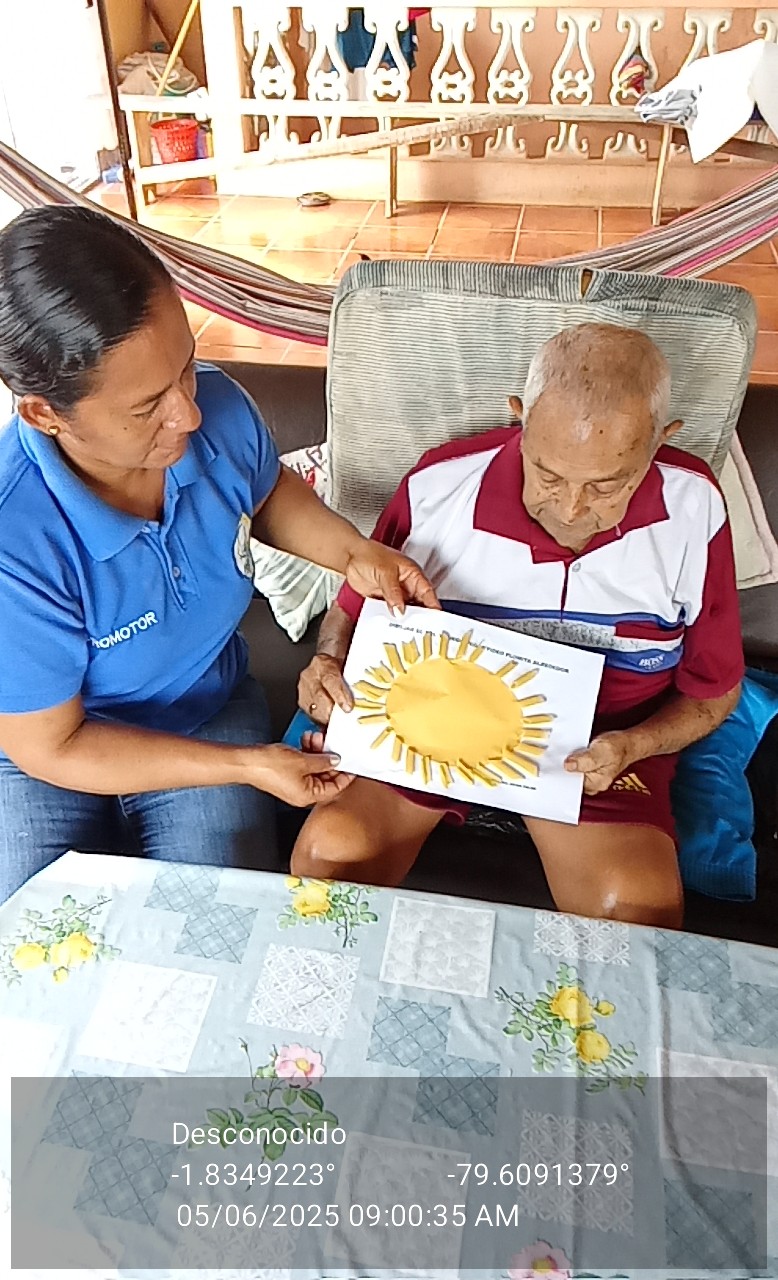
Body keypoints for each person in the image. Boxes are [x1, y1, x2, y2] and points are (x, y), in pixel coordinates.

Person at [0, 206, 437, 904]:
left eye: (188, 369)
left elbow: (264, 493)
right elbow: (52, 745)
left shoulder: (222, 413)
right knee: (35, 934)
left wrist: (354, 553)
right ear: (45, 414)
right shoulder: (14, 542)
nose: (190, 414)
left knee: (216, 921)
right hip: (50, 753)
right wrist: (246, 766)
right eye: (148, 406)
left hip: (205, 706)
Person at [292, 323, 744, 928]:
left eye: (608, 485)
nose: (572, 508)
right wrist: (327, 661)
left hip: (595, 750)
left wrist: (634, 746)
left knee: (635, 906)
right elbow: (351, 607)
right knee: (331, 856)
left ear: (662, 441)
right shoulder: (439, 486)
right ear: (520, 419)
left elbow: (713, 693)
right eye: (549, 475)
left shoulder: (694, 507)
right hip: (430, 722)